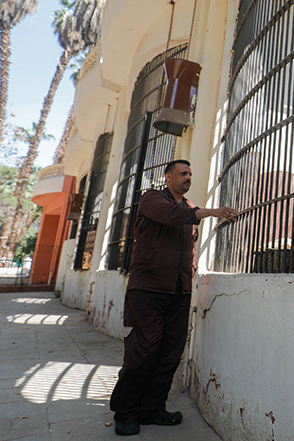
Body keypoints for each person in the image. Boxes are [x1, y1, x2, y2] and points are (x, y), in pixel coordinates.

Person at [109, 159, 237, 436]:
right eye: (183, 173)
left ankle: (152, 409)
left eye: (190, 173)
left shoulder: (190, 209)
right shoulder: (152, 199)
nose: (188, 177)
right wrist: (210, 211)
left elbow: (188, 246)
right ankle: (126, 413)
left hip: (179, 292)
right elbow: (169, 216)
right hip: (147, 291)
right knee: (142, 352)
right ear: (168, 177)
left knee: (169, 355)